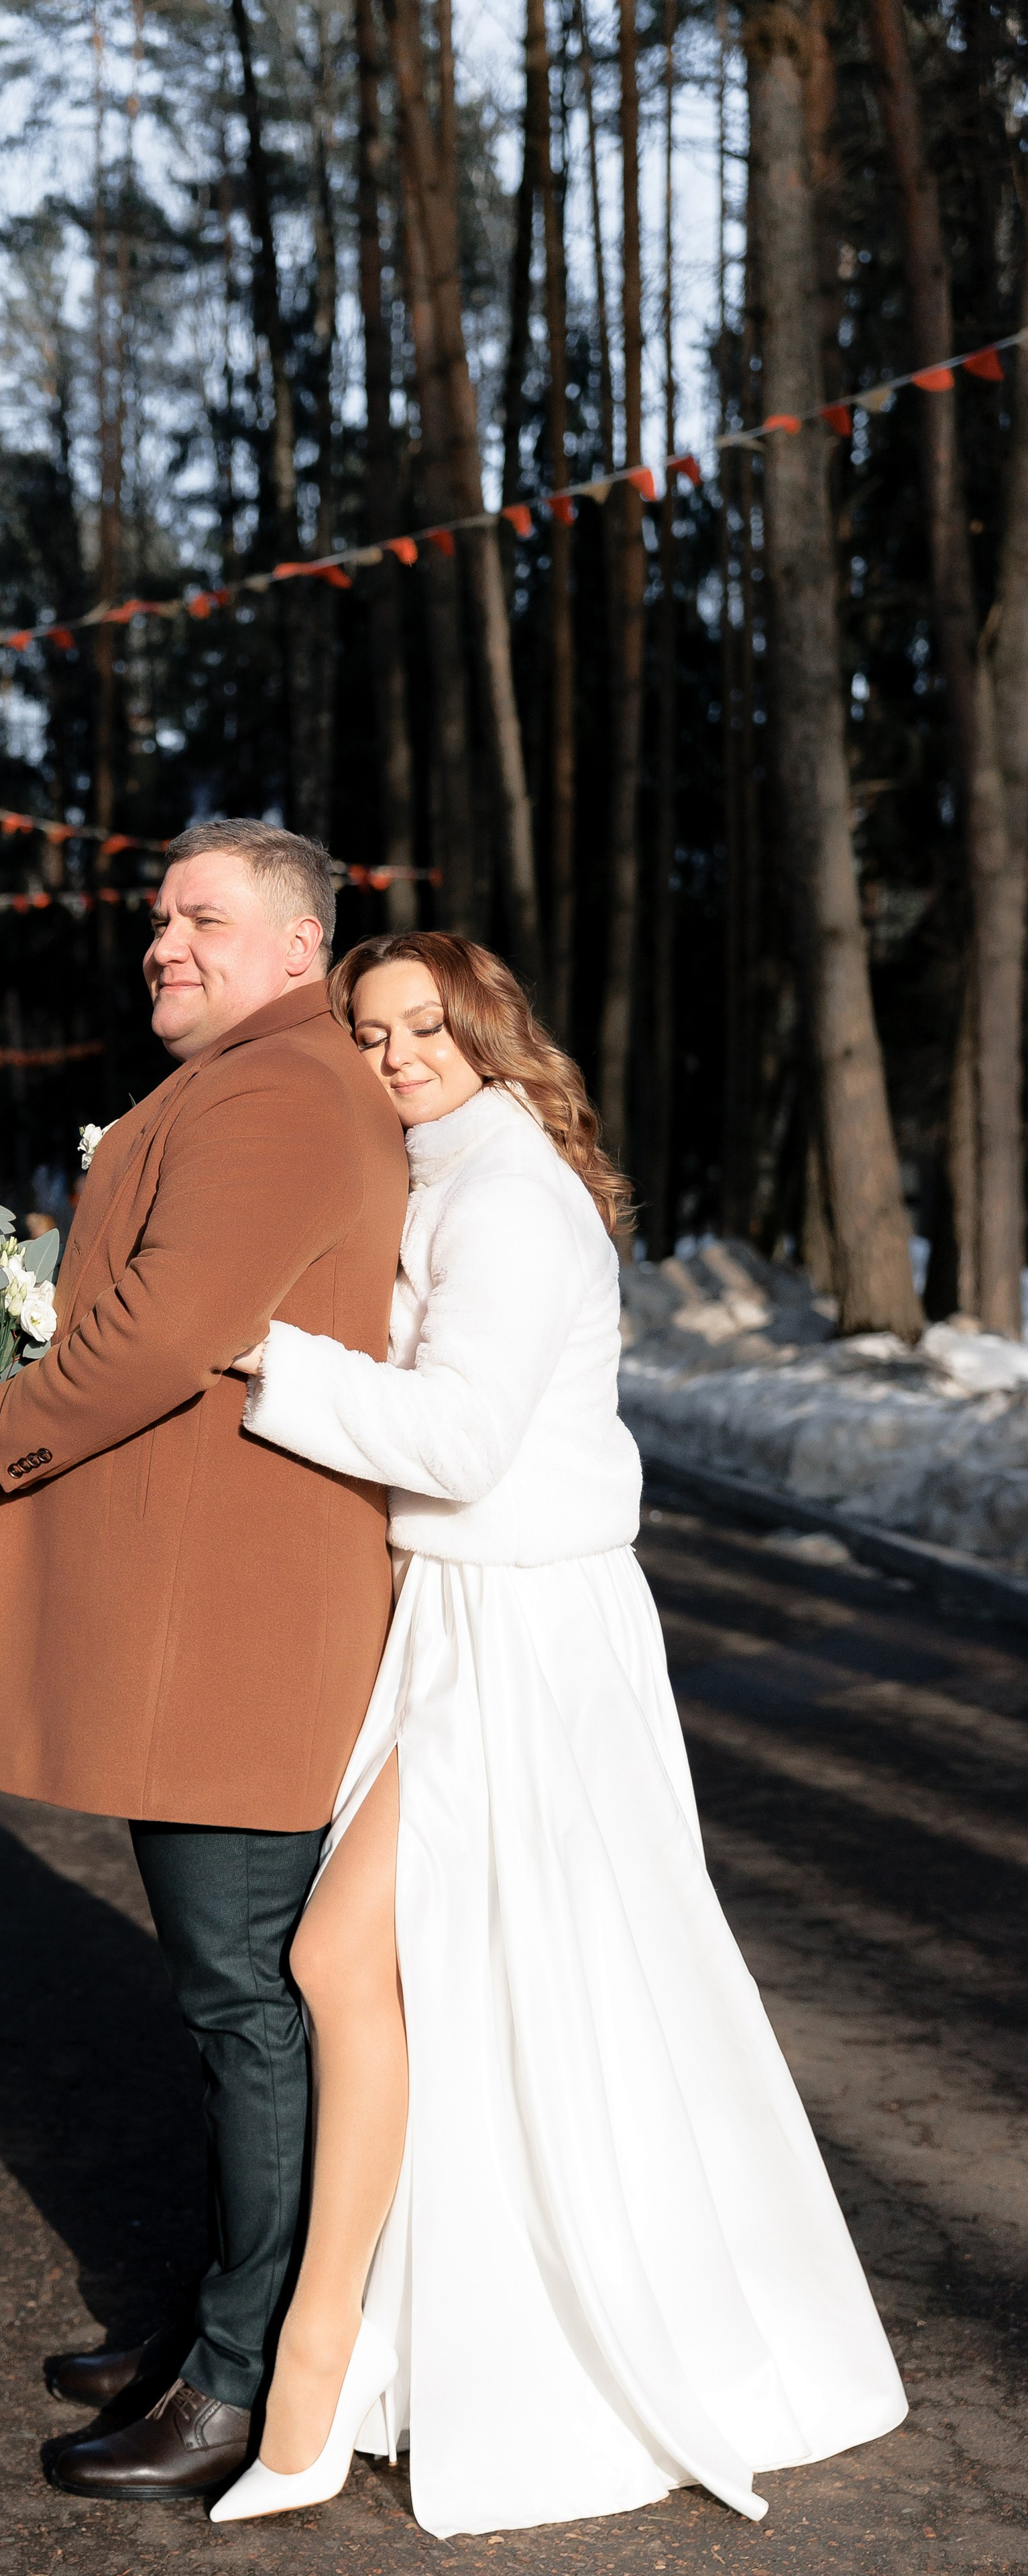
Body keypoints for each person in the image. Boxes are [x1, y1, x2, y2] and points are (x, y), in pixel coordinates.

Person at [207, 931, 907, 2535]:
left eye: (422, 1028)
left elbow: (459, 1440)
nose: (394, 1056)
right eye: (369, 1033)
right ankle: (370, 2348)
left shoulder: (511, 1200)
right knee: (468, 1980)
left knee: (356, 1957)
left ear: (484, 1032)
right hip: (465, 1615)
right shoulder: (446, 1179)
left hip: (521, 1624)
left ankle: (316, 2364)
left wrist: (266, 1354)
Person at [0, 820, 406, 2502]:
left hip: (239, 1622)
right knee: (227, 1995)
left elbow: (161, 1327)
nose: (162, 940)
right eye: (156, 917)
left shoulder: (279, 1088)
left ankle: (244, 2370)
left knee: (246, 2000)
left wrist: (5, 1419)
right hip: (211, 1611)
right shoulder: (245, 1079)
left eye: (201, 916)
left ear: (297, 946)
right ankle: (214, 2319)